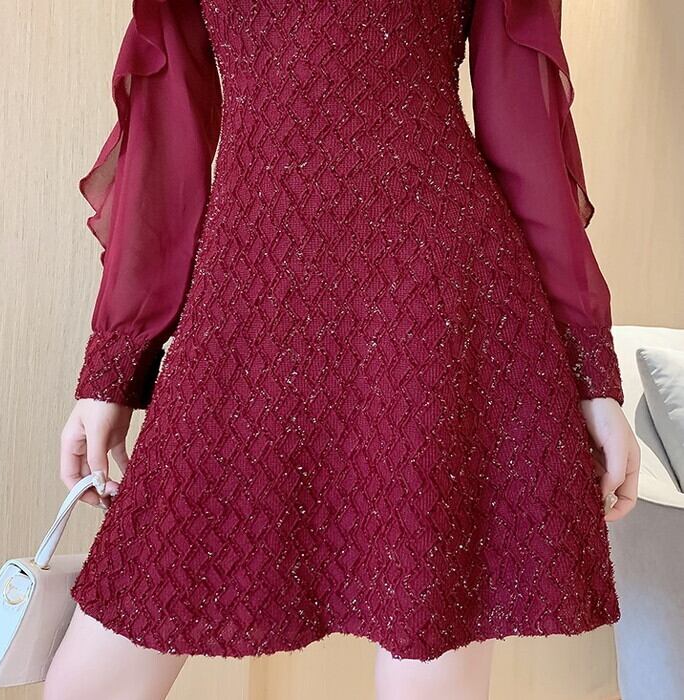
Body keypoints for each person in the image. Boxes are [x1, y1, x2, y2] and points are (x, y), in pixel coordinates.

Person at [44, 0, 641, 698]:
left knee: (424, 628)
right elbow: (166, 138)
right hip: (252, 301)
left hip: (432, 301)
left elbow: (525, 131)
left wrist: (591, 372)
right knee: (106, 654)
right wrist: (113, 367)